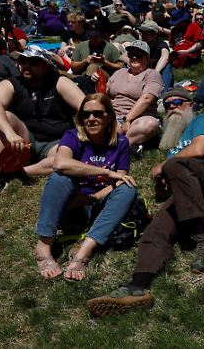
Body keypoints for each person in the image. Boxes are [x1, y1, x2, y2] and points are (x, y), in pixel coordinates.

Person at [86, 87, 204, 316]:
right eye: (167, 105)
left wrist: (166, 167)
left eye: (177, 102)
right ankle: (137, 287)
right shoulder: (173, 146)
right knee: (155, 230)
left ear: (191, 104)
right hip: (190, 195)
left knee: (175, 165)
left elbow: (200, 148)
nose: (172, 108)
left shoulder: (203, 120)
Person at [34, 93, 137, 281]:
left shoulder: (121, 143)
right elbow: (60, 163)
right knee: (60, 177)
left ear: (109, 116)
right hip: (72, 202)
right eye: (86, 114)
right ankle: (43, 245)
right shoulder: (72, 136)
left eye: (98, 113)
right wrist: (104, 172)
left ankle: (83, 253)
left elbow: (120, 179)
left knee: (128, 188)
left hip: (100, 204)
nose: (91, 119)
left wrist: (94, 197)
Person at [0, 47, 84, 205]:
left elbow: (86, 106)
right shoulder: (12, 83)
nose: (26, 66)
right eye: (22, 61)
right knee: (3, 117)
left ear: (45, 66)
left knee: (64, 160)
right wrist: (10, 133)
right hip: (25, 138)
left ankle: (14, 173)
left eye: (33, 62)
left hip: (57, 140)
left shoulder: (60, 82)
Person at [105, 40, 163, 156]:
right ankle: (128, 146)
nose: (135, 57)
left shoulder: (152, 74)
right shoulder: (119, 72)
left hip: (138, 118)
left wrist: (127, 119)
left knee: (150, 124)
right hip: (114, 114)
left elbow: (147, 99)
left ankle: (117, 147)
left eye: (139, 55)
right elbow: (107, 94)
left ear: (147, 58)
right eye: (131, 55)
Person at [138, 20, 172, 90]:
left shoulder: (161, 44)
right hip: (142, 72)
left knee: (167, 66)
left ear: (155, 34)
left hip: (157, 73)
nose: (143, 35)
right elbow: (123, 56)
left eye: (146, 33)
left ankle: (164, 92)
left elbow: (165, 57)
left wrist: (154, 73)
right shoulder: (139, 45)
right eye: (142, 32)